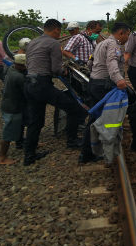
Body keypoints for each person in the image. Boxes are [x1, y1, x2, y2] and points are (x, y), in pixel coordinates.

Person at [80, 22, 136, 164]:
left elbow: (90, 63)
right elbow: (112, 62)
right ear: (121, 33)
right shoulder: (113, 45)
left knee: (94, 117)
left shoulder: (100, 44)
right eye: (127, 34)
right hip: (105, 85)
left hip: (95, 83)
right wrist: (119, 80)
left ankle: (86, 154)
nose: (128, 37)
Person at [23, 19, 88, 166]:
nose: (60, 34)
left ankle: (29, 156)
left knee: (36, 121)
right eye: (60, 31)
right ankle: (72, 141)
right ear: (56, 30)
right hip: (42, 85)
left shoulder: (33, 42)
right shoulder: (53, 43)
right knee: (75, 109)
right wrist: (64, 70)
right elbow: (56, 69)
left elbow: (30, 63)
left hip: (29, 84)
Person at [0, 54, 27, 165]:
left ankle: (21, 142)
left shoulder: (11, 69)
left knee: (18, 126)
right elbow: (26, 91)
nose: (26, 67)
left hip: (7, 104)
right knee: (8, 133)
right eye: (24, 65)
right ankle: (2, 157)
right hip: (12, 107)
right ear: (19, 65)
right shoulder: (19, 77)